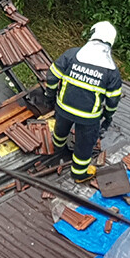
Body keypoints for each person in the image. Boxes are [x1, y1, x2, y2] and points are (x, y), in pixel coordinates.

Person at [45, 21, 122, 183]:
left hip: (63, 107)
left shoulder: (72, 55)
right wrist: (108, 116)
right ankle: (79, 173)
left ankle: (58, 148)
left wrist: (50, 96)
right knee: (85, 144)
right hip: (88, 117)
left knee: (61, 129)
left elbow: (52, 76)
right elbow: (112, 100)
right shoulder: (111, 71)